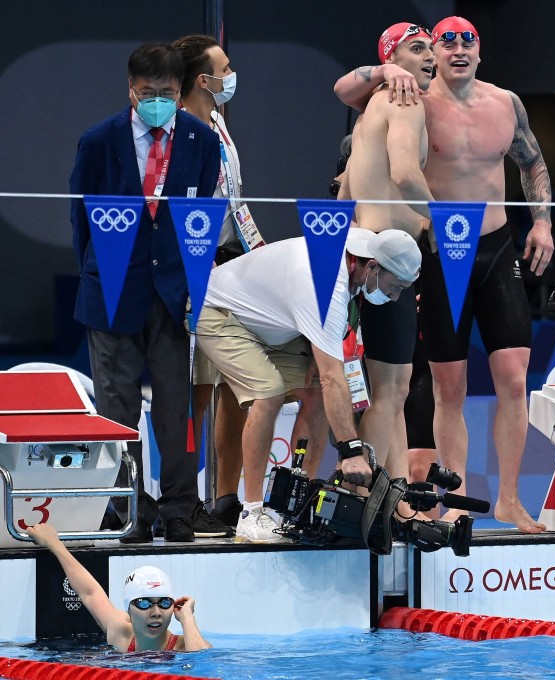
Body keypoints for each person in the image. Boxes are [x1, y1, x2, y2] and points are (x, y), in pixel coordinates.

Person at [334, 16, 553, 533]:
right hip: (436, 248)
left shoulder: (506, 103)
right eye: (445, 41)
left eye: (467, 40)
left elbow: (532, 162)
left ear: (481, 50)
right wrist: (388, 68)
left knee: (515, 380)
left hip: (496, 246)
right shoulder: (410, 96)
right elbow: (347, 97)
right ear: (431, 50)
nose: (456, 49)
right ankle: (456, 499)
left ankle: (510, 500)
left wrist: (542, 221)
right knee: (448, 387)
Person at [70, 42, 221, 543]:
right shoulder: (98, 140)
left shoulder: (202, 141)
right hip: (112, 288)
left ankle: (178, 507)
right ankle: (128, 507)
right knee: (117, 408)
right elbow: (81, 222)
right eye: (149, 92)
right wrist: (97, 273)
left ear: (182, 93)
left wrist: (191, 286)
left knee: (176, 407)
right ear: (130, 90)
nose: (159, 101)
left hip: (172, 290)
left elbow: (197, 219)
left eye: (169, 94)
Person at [195, 228, 420, 542]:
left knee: (314, 389)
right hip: (218, 311)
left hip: (273, 323)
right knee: (269, 392)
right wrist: (351, 450)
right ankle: (251, 511)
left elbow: (329, 377)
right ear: (372, 268)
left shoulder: (365, 248)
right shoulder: (325, 286)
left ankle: (299, 505)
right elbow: (334, 378)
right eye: (394, 287)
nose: (395, 297)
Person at [342, 22, 436, 503]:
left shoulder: (371, 106)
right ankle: (368, 502)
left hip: (366, 251)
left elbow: (346, 189)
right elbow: (404, 171)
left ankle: (394, 497)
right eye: (415, 48)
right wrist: (439, 217)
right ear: (391, 59)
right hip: (387, 257)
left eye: (428, 47)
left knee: (389, 390)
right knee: (390, 390)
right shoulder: (405, 101)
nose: (429, 55)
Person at [171, 34, 260, 531]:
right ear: (203, 80)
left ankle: (226, 497)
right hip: (192, 264)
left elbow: (235, 200)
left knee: (232, 381)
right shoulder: (180, 130)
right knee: (193, 391)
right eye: (225, 68)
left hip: (232, 263)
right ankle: (180, 499)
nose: (232, 75)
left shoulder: (219, 123)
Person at [26, 524, 211, 651]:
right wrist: (54, 543)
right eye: (144, 604)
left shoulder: (184, 646)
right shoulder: (121, 633)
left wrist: (187, 618)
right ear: (128, 609)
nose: (156, 612)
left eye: (164, 603)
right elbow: (90, 592)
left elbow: (202, 665)